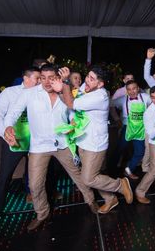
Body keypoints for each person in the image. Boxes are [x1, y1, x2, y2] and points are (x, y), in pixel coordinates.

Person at [3, 64, 103, 231]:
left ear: (57, 78)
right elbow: (13, 113)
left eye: (52, 78)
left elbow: (73, 110)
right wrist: (8, 126)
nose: (47, 82)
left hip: (62, 143)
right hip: (39, 147)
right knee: (35, 185)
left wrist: (72, 119)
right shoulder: (29, 94)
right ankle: (42, 213)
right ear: (40, 78)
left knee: (78, 175)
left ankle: (91, 201)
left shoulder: (65, 91)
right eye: (43, 78)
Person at [55, 65, 134, 215]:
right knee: (93, 174)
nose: (86, 80)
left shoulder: (100, 96)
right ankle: (110, 199)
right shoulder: (89, 86)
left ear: (100, 84)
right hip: (83, 140)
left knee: (88, 178)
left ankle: (120, 185)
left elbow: (71, 103)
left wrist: (64, 84)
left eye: (91, 79)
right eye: (87, 76)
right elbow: (74, 95)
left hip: (95, 145)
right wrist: (65, 83)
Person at [0, 66, 41, 233]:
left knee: (38, 176)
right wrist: (5, 133)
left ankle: (40, 212)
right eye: (37, 78)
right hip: (14, 144)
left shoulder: (41, 94)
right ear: (26, 78)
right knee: (4, 178)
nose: (40, 82)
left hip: (36, 144)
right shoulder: (9, 93)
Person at [110, 80, 151, 179]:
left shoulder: (146, 98)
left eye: (134, 88)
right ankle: (111, 169)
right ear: (126, 91)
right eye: (129, 89)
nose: (132, 91)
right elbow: (109, 104)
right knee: (120, 149)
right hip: (127, 128)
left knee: (140, 152)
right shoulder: (122, 99)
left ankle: (128, 169)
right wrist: (117, 119)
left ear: (138, 89)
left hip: (140, 129)